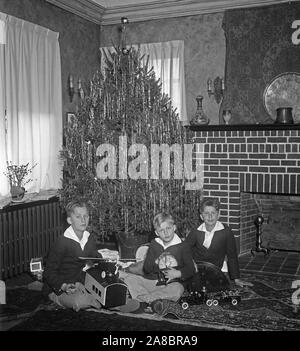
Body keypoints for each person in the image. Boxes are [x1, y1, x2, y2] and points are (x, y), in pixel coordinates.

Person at [42, 200, 139, 312]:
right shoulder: (61, 243)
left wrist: (109, 265)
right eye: (78, 217)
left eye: (86, 216)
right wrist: (63, 286)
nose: (83, 220)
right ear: (69, 220)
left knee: (105, 285)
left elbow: (96, 258)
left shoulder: (89, 238)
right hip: (60, 287)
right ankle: (109, 303)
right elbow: (48, 273)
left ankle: (107, 300)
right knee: (79, 301)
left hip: (80, 281)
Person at [119, 212, 196, 306]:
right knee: (131, 279)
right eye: (161, 230)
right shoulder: (154, 244)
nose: (166, 233)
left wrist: (178, 273)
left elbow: (191, 269)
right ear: (157, 233)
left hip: (173, 283)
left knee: (176, 291)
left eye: (168, 228)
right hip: (154, 281)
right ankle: (150, 300)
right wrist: (154, 260)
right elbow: (147, 269)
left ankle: (143, 300)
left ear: (174, 228)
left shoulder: (183, 246)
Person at [185, 197, 253, 288]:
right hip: (197, 267)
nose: (210, 216)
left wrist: (236, 278)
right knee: (193, 287)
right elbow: (185, 249)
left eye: (213, 213)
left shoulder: (226, 232)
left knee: (218, 287)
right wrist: (191, 263)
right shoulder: (196, 231)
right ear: (201, 216)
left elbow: (232, 255)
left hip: (215, 269)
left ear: (218, 214)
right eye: (206, 213)